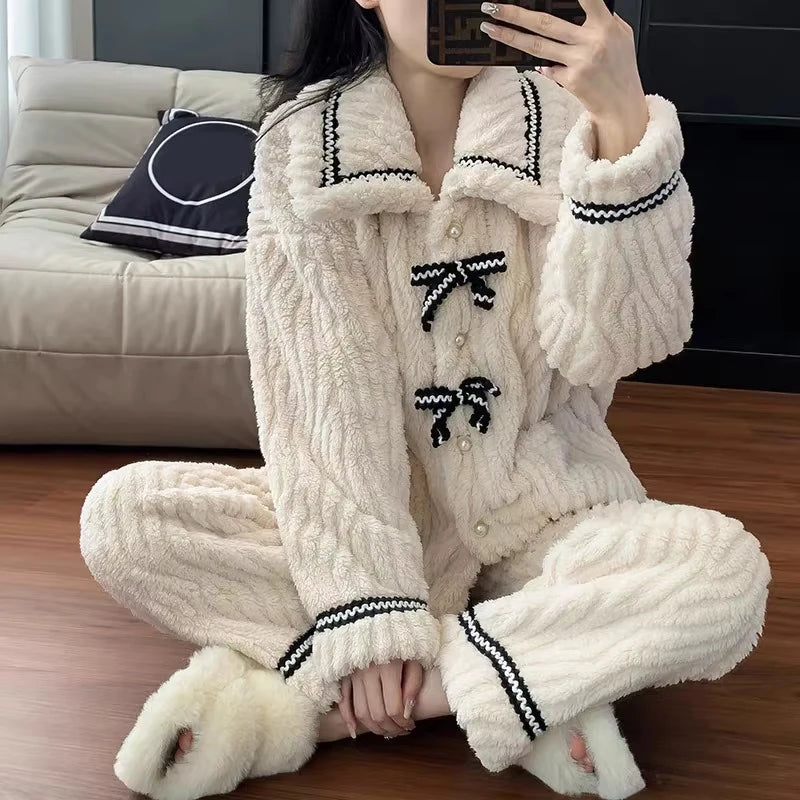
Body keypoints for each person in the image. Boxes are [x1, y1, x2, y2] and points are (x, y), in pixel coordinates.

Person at [79, 2, 771, 800]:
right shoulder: (304, 143)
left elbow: (617, 346)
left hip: (546, 514)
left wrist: (621, 125)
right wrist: (369, 603)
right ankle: (533, 674)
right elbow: (323, 402)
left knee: (721, 574)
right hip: (380, 513)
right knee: (126, 519)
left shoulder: (566, 123)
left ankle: (343, 701)